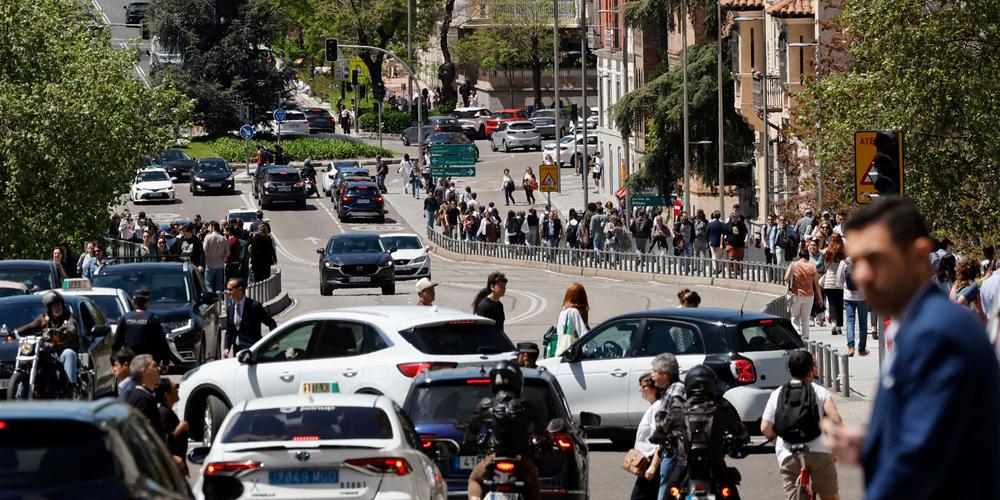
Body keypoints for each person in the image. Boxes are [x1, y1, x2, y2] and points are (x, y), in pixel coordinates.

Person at [823, 197, 1000, 500]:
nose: (862, 275)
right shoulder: (919, 326)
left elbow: (917, 466)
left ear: (919, 256)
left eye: (875, 259)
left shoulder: (938, 334)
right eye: (857, 261)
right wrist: (872, 445)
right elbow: (941, 438)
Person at [652, 365, 748, 496]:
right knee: (730, 491)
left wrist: (657, 438)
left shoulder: (678, 409)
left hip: (684, 464)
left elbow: (661, 431)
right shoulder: (721, 409)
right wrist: (743, 438)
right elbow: (740, 430)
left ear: (688, 385)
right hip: (715, 464)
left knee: (669, 491)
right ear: (712, 385)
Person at [761, 351, 842, 500]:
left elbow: (765, 428)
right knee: (830, 496)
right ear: (811, 370)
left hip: (788, 452)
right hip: (819, 451)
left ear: (790, 370)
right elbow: (836, 420)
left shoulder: (777, 393)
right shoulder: (820, 391)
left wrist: (778, 442)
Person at [465, 361, 541, 500]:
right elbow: (541, 431)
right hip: (520, 459)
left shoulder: (485, 405)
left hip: (493, 457)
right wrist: (544, 442)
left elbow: (471, 431)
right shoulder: (526, 406)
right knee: (533, 483)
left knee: (474, 479)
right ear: (518, 382)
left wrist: (469, 444)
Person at [18, 290, 78, 387]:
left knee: (69, 353)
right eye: (54, 305)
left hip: (62, 352)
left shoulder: (69, 316)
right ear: (49, 308)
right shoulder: (43, 319)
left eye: (59, 304)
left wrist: (71, 328)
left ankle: (71, 386)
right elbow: (30, 327)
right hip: (49, 352)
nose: (57, 307)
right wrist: (15, 333)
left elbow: (72, 324)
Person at [112, 288, 171, 368]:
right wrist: (165, 362)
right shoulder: (152, 318)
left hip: (130, 363)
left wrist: (114, 363)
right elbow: (161, 342)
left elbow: (116, 344)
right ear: (147, 302)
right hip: (149, 364)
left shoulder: (125, 318)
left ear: (133, 302)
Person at [630, 372, 663, 500]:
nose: (641, 390)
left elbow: (660, 440)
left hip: (652, 463)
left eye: (644, 386)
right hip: (647, 463)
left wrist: (653, 467)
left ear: (655, 388)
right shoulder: (654, 407)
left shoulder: (657, 408)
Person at [223, 278, 277, 357]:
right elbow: (229, 331)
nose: (228, 292)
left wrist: (274, 341)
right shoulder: (230, 309)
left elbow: (271, 323)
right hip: (237, 351)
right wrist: (226, 348)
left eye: (230, 290)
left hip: (253, 350)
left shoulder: (254, 306)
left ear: (239, 289)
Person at [786, 248, 823, 339]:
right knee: (805, 320)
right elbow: (816, 284)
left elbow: (786, 278)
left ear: (799, 256)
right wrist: (820, 297)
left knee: (795, 317)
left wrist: (792, 284)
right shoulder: (812, 267)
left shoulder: (793, 265)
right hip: (809, 296)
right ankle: (806, 339)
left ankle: (797, 330)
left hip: (796, 294)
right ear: (808, 257)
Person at [837, 257, 869, 356]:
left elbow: (838, 281)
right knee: (863, 322)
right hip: (863, 296)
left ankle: (851, 347)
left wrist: (845, 287)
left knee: (850, 321)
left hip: (848, 296)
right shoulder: (864, 260)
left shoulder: (844, 262)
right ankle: (862, 349)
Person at [125, 354, 164, 436]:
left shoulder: (141, 395)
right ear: (144, 372)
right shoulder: (142, 399)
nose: (159, 369)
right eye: (154, 366)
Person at [549, 283, 589, 357]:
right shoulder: (573, 312)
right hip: (570, 355)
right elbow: (585, 335)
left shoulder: (563, 311)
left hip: (560, 353)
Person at [155, 379, 189, 459]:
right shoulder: (164, 413)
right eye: (174, 390)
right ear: (166, 394)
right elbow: (163, 441)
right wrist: (179, 428)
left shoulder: (167, 411)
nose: (177, 391)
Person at [822, 234, 847, 335]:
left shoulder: (826, 252)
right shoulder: (843, 253)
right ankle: (839, 327)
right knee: (840, 304)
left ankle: (833, 325)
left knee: (832, 303)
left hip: (829, 282)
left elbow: (825, 267)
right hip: (840, 281)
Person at [950, 258, 987, 323]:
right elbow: (981, 312)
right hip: (972, 323)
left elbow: (951, 300)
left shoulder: (956, 285)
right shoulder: (975, 287)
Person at [202, 222, 229, 293]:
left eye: (210, 226)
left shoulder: (208, 237)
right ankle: (219, 298)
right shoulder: (223, 238)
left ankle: (211, 297)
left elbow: (204, 250)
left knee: (208, 283)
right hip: (220, 264)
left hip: (209, 264)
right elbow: (228, 252)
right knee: (219, 284)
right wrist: (222, 256)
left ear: (213, 227)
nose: (209, 228)